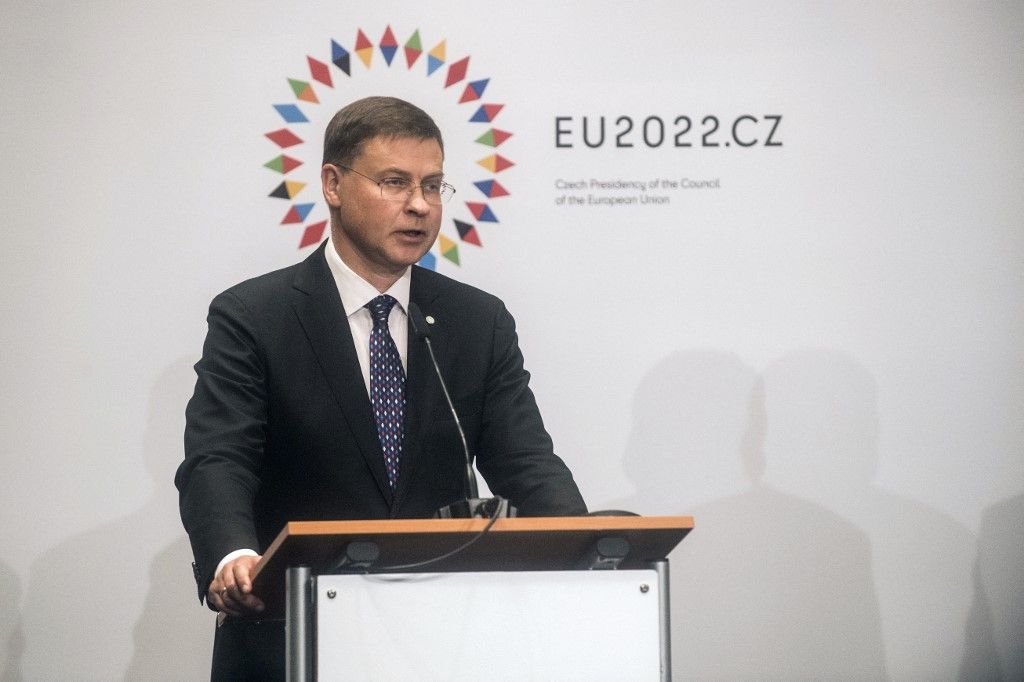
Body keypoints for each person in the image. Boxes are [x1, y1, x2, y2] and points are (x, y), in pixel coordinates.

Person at [175, 96, 587, 678]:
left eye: (433, 185)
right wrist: (234, 555)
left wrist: (581, 547)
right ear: (333, 184)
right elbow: (219, 458)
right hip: (291, 634)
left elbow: (527, 462)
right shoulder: (254, 316)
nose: (419, 205)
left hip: (441, 637)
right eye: (395, 182)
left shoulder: (477, 321)